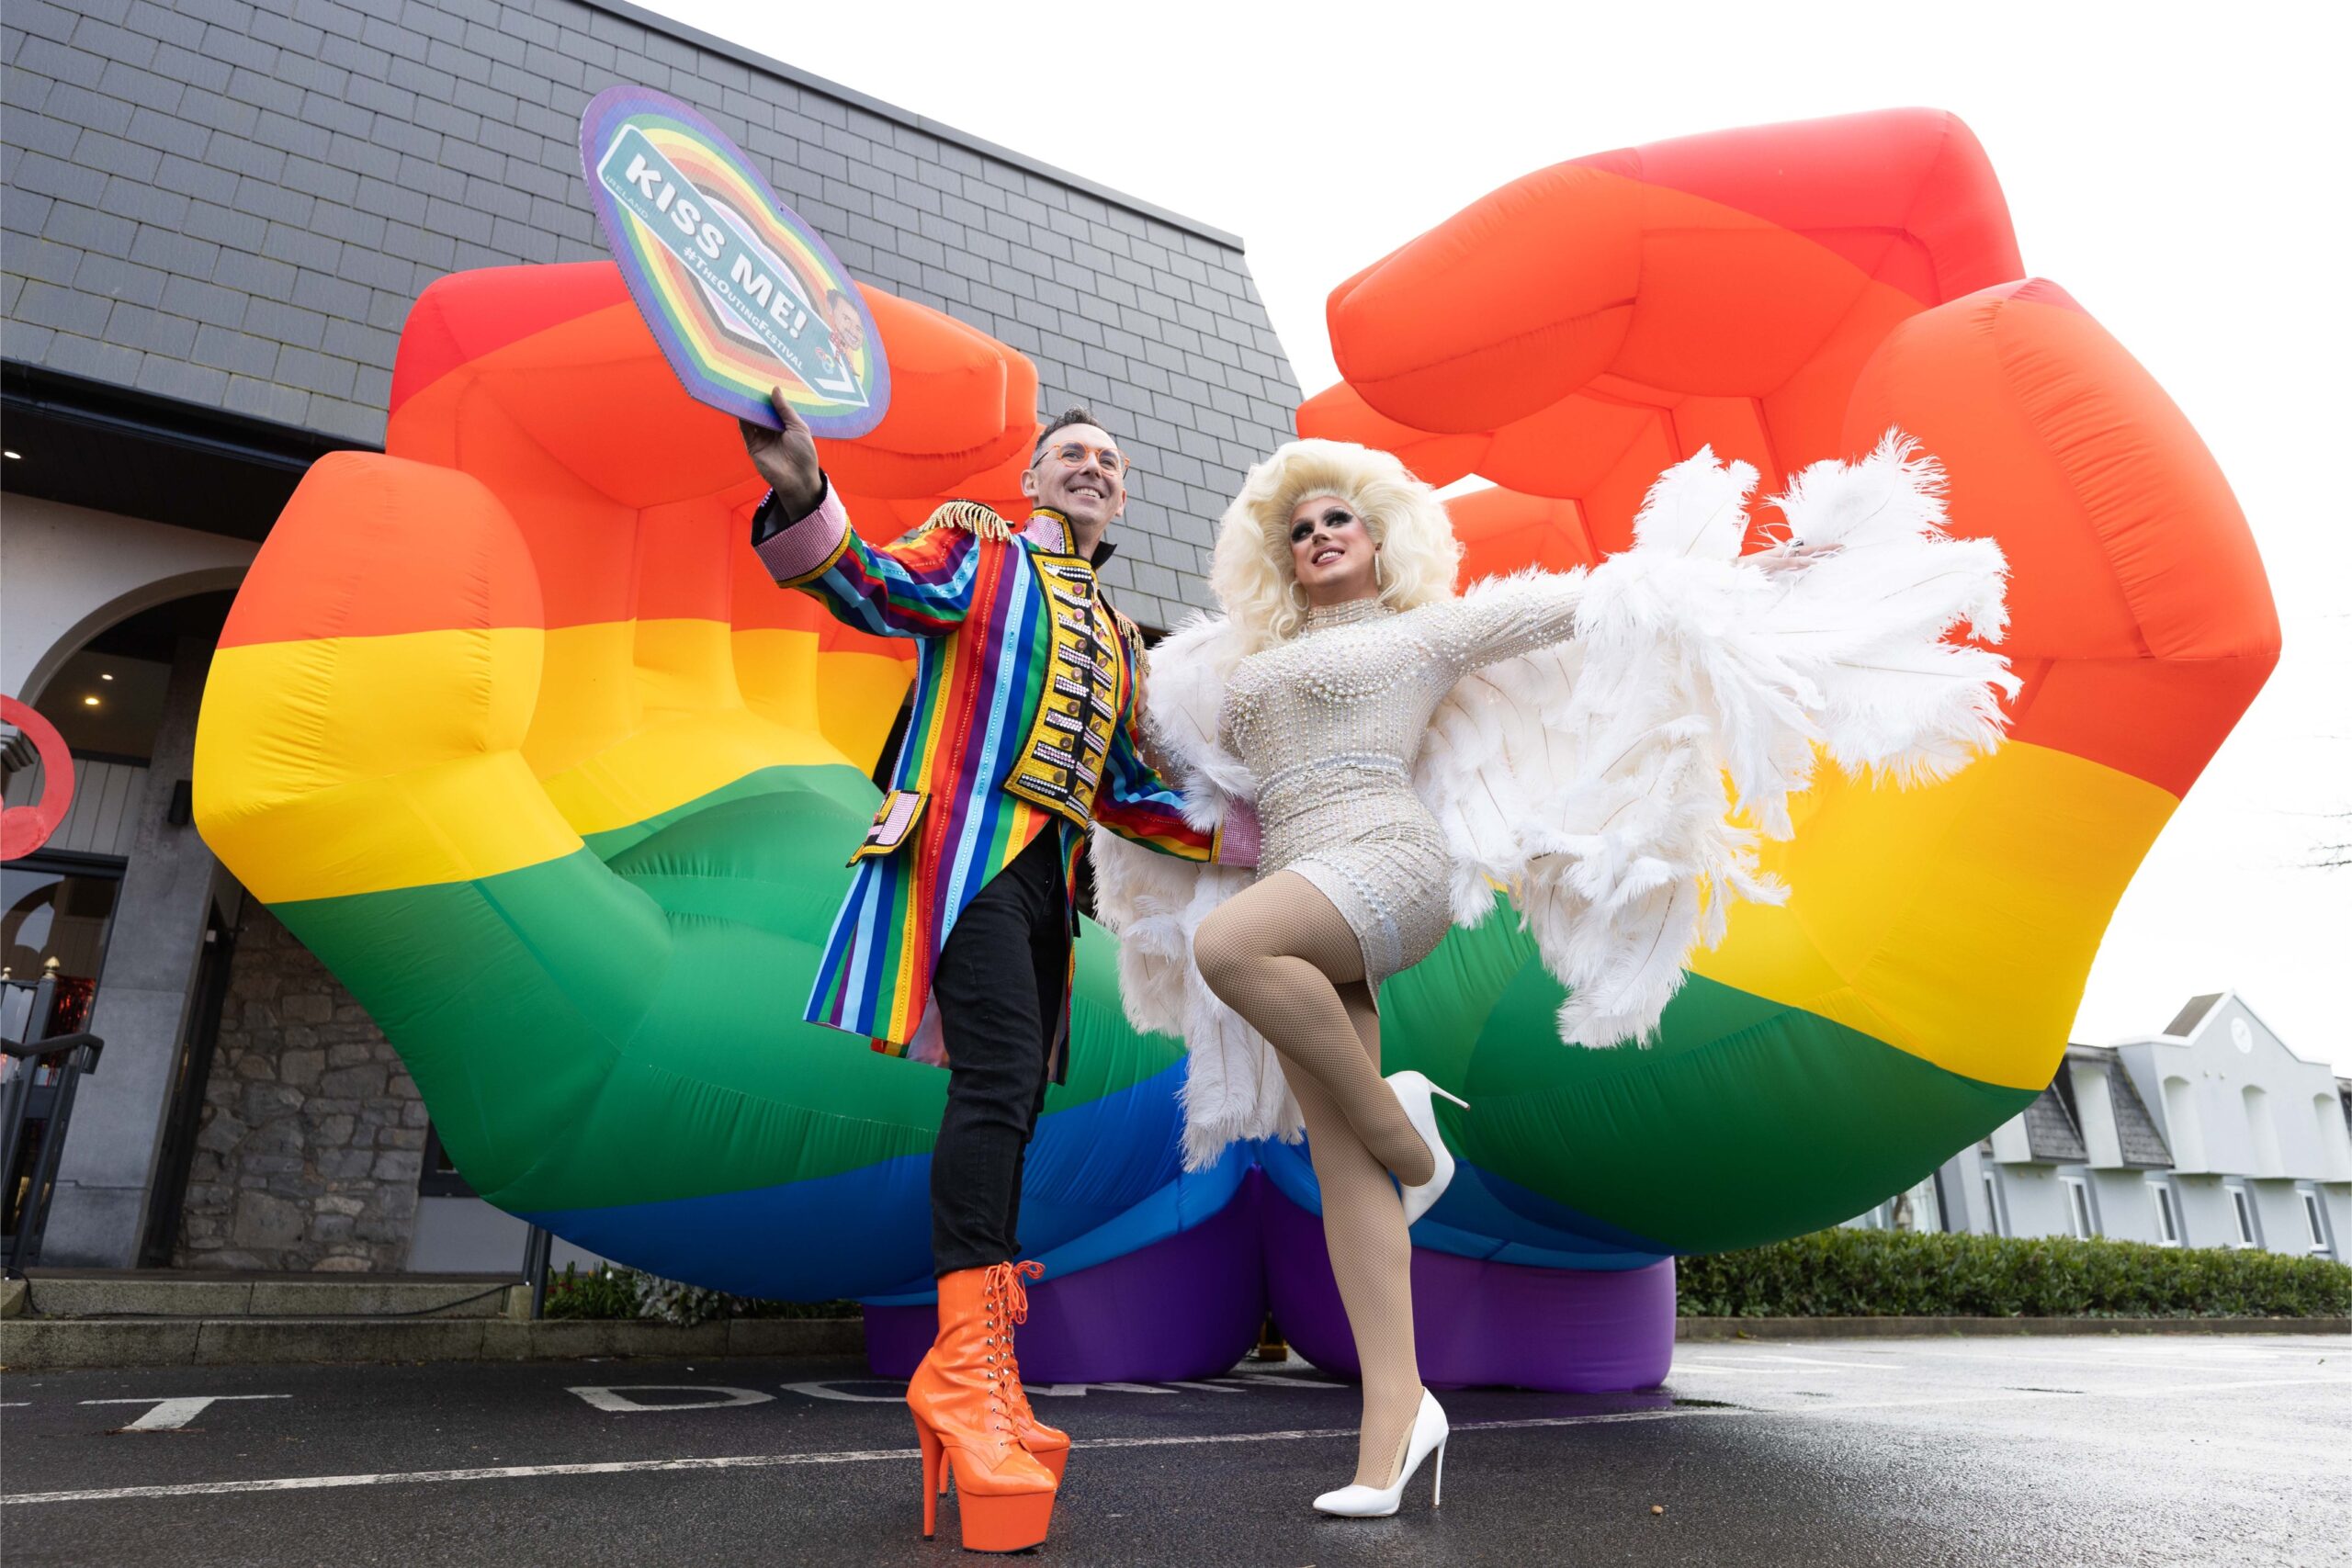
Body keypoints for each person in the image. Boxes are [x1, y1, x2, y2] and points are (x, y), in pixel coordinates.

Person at [1090, 435, 2016, 1518]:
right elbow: (1177, 770)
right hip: (1297, 877)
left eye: (1338, 518)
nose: (1319, 536)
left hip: (1383, 864)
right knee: (1343, 1173)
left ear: (1381, 538)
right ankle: (1394, 1424)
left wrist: (1757, 571)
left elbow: (1596, 602)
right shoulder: (1240, 666)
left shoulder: (1426, 632)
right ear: (1276, 558)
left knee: (1230, 949)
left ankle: (1409, 1139)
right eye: (1299, 530)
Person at [739, 395, 1255, 1552]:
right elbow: (871, 587)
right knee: (998, 1078)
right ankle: (963, 1372)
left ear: (1123, 493)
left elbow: (1128, 792)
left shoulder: (1118, 638)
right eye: (1071, 453)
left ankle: (978, 1361)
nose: (1091, 466)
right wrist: (801, 489)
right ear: (1033, 478)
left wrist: (1256, 837)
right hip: (962, 852)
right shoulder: (979, 548)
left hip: (1043, 889)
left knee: (1013, 1094)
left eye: (1109, 459)